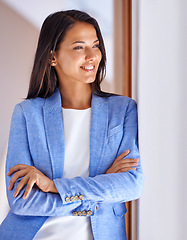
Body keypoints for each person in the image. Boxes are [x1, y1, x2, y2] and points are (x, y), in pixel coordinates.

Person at [0, 10, 144, 240]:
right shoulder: (27, 114)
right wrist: (99, 189)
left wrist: (53, 186)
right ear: (52, 57)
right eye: (79, 47)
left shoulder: (123, 109)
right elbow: (21, 201)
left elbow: (131, 185)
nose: (92, 56)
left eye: (95, 45)